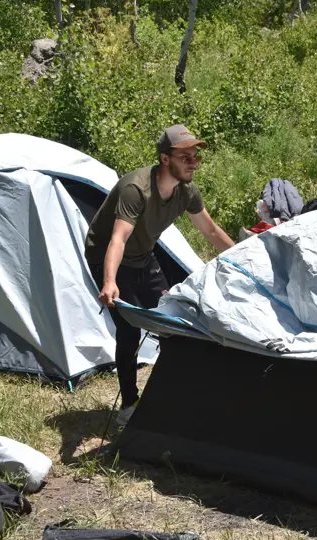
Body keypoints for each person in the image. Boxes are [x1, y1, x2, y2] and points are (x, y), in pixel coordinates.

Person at [84, 124, 235, 424]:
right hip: (107, 257)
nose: (193, 163)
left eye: (196, 157)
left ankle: (169, 395)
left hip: (143, 255)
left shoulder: (186, 191)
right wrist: (109, 281)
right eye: (186, 157)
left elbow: (211, 231)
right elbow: (118, 239)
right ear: (165, 159)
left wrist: (246, 256)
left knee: (172, 321)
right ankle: (129, 405)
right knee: (130, 330)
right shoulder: (136, 189)